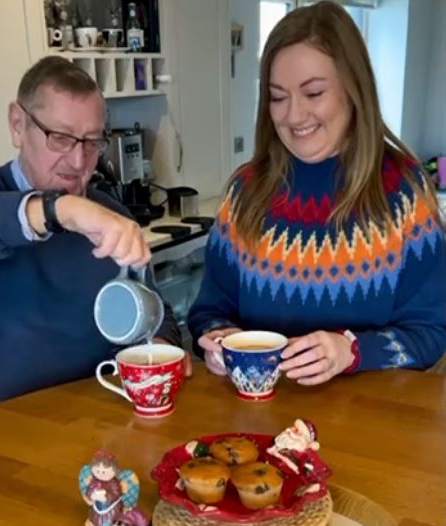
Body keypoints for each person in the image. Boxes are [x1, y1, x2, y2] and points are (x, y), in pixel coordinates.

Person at [188, 1, 446, 384]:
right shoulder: (245, 192)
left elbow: (430, 334)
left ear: (353, 90)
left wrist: (353, 351)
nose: (293, 116)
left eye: (313, 93)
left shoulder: (404, 192)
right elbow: (209, 312)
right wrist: (218, 339)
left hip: (369, 432)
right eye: (278, 97)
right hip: (259, 427)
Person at [0, 56, 181, 423]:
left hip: (81, 431)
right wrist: (59, 210)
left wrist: (160, 348)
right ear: (18, 125)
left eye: (92, 142)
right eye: (61, 138)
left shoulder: (111, 217)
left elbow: (154, 314)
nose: (78, 160)